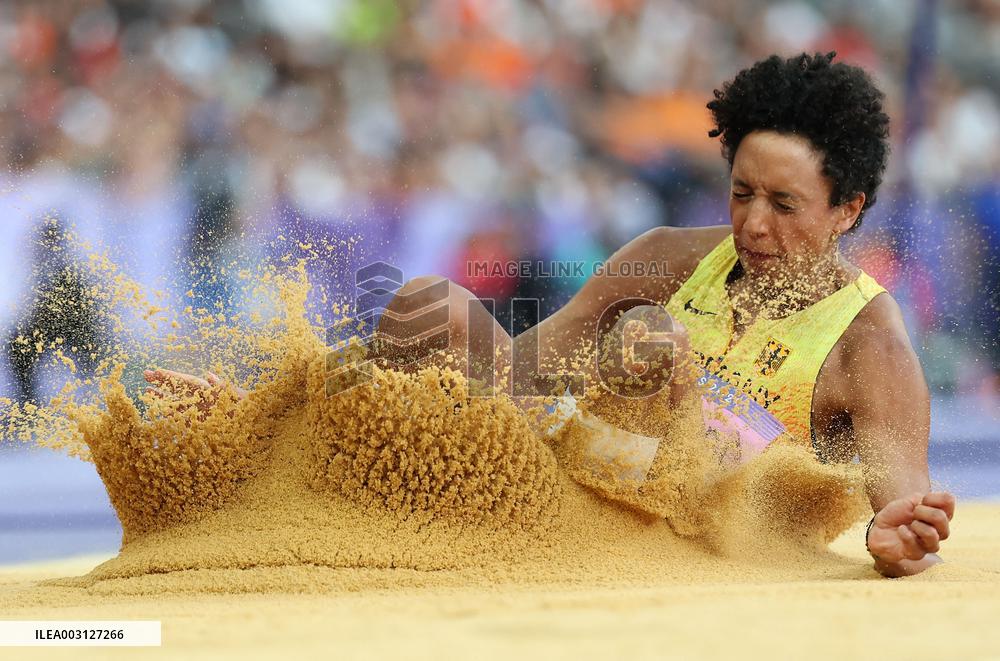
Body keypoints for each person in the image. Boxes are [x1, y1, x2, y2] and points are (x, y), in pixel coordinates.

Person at [146, 52, 955, 578]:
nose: (752, 224)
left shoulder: (870, 348)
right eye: (741, 192)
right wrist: (276, 405)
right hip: (567, 486)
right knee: (429, 307)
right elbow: (522, 371)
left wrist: (898, 542)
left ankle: (581, 535)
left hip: (697, 544)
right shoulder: (670, 255)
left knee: (649, 339)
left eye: (785, 203)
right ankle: (265, 440)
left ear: (847, 210)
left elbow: (902, 503)